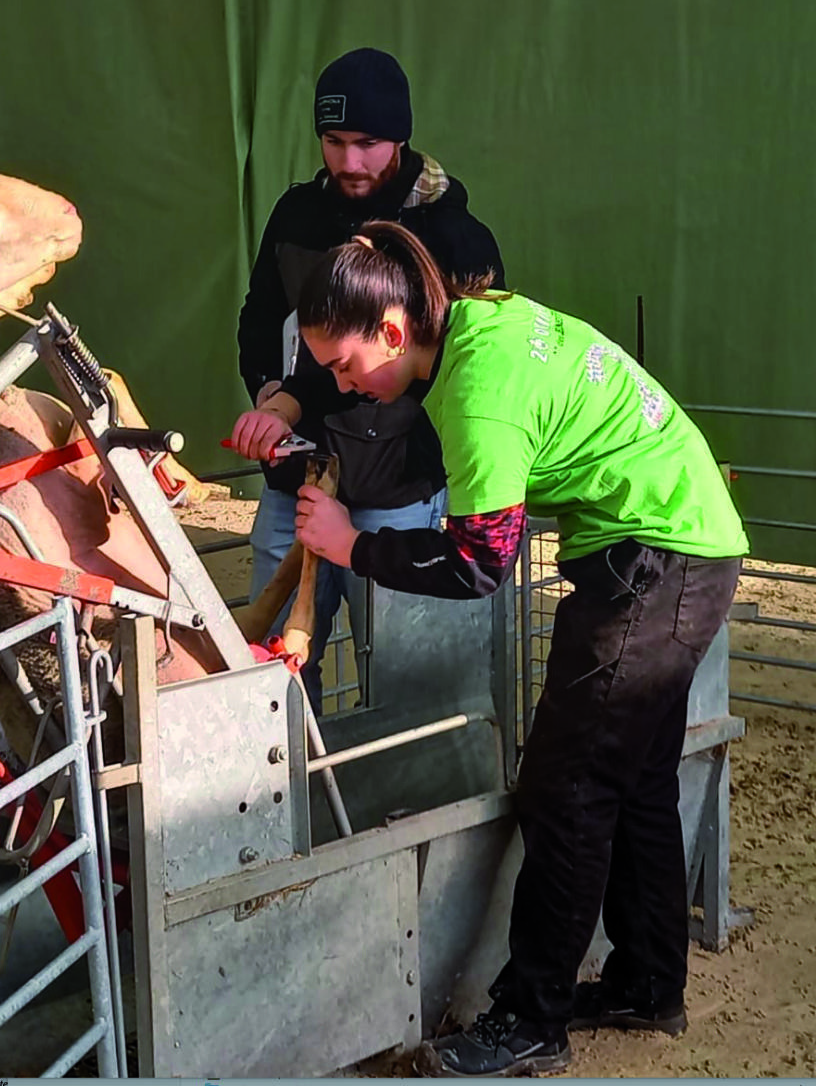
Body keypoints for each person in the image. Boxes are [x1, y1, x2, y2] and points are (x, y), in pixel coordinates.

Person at [279, 220, 747, 1077]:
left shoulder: (477, 388)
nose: (342, 383)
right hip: (685, 543)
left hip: (655, 560)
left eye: (344, 365)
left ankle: (530, 1019)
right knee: (633, 774)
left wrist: (353, 546)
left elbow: (480, 563)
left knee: (565, 789)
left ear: (392, 330)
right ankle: (648, 982)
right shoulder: (481, 321)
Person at [234, 46, 504, 712]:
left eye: (368, 143)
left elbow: (452, 373)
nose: (349, 162)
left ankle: (401, 810)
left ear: (402, 137)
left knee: (409, 674)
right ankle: (294, 810)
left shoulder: (455, 239)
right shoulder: (295, 217)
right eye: (333, 142)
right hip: (296, 484)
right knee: (271, 671)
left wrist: (295, 400)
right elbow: (261, 320)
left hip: (400, 488)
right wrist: (270, 392)